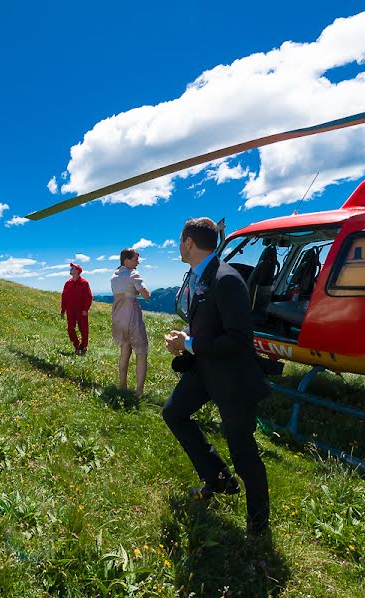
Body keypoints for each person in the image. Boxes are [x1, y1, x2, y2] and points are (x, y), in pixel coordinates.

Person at [163, 217, 271, 535]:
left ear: (189, 243)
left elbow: (238, 339)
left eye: (180, 241)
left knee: (242, 449)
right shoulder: (203, 275)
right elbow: (208, 324)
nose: (178, 246)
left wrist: (190, 344)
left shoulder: (226, 279)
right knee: (174, 412)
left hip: (232, 377)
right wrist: (183, 339)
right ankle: (217, 478)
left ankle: (258, 524)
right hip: (206, 368)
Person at [110, 248, 151, 395]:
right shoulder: (133, 274)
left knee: (124, 349)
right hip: (132, 317)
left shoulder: (113, 277)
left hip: (117, 317)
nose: (138, 262)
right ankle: (138, 391)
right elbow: (146, 295)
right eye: (135, 259)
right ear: (127, 260)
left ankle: (122, 386)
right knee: (141, 352)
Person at [60, 262, 92, 354]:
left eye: (72, 268)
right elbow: (64, 297)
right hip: (70, 310)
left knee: (84, 329)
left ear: (78, 271)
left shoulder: (84, 283)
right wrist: (63, 310)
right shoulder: (67, 283)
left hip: (81, 311)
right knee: (70, 328)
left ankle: (84, 346)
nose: (70, 269)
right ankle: (77, 346)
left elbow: (89, 297)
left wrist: (86, 309)